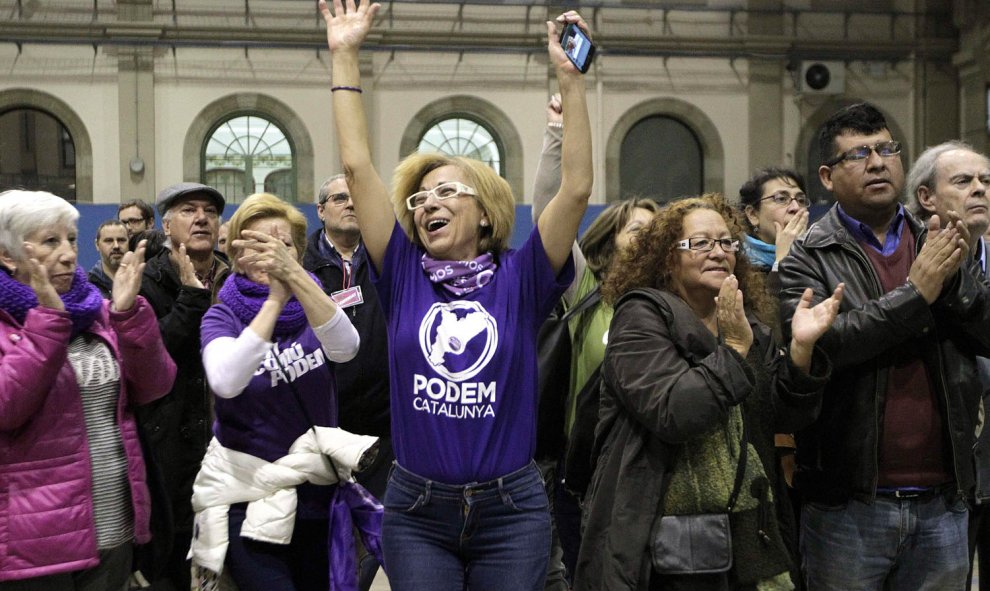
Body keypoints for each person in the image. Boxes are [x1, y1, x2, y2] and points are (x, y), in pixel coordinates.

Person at [320, 0, 593, 588]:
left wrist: (570, 83)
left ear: (488, 214)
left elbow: (575, 188)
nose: (427, 205)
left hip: (512, 511)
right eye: (418, 200)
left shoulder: (524, 279)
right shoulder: (401, 272)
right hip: (418, 511)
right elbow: (357, 166)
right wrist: (344, 54)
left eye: (445, 192)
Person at [574, 193, 840, 591]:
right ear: (667, 257)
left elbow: (783, 419)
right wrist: (733, 351)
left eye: (726, 242)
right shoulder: (642, 315)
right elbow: (674, 412)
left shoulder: (745, 321)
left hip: (749, 536)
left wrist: (801, 353)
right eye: (700, 243)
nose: (718, 252)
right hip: (660, 543)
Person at [778, 102, 990, 590]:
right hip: (849, 505)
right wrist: (916, 295)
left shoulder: (939, 238)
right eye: (859, 154)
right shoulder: (806, 257)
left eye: (886, 149)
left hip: (942, 500)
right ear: (828, 177)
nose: (877, 162)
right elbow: (829, 347)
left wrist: (950, 280)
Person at [0, 190, 176, 589]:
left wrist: (129, 316)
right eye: (50, 241)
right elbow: (7, 407)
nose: (67, 254)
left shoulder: (94, 308)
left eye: (71, 240)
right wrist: (47, 321)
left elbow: (154, 386)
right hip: (36, 547)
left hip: (112, 527)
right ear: (8, 256)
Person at [192, 192, 362, 590]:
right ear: (237, 256)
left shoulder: (315, 305)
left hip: (317, 497)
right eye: (256, 246)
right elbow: (226, 381)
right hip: (248, 498)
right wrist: (274, 301)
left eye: (282, 246)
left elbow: (346, 347)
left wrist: (296, 282)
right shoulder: (223, 315)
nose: (270, 256)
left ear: (298, 253)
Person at [530, 92, 660, 587]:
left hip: (651, 465)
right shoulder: (587, 290)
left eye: (658, 230)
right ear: (611, 240)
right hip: (583, 468)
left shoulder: (678, 302)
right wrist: (557, 136)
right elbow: (549, 215)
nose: (649, 238)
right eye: (638, 229)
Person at [905, 140, 990, 590]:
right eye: (964, 181)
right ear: (926, 198)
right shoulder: (907, 266)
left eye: (986, 181)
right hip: (943, 474)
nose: (980, 190)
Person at [136, 181, 229, 591]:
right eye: (189, 210)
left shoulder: (234, 277)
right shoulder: (145, 282)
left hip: (228, 436)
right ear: (167, 225)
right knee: (171, 559)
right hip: (169, 439)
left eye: (209, 211)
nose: (201, 218)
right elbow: (153, 355)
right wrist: (191, 296)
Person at [303, 174, 392, 591]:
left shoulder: (383, 260)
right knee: (323, 543)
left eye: (355, 197)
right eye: (340, 198)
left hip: (381, 426)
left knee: (382, 540)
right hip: (319, 428)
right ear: (321, 210)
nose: (350, 204)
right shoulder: (303, 265)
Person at [738, 167, 810, 277]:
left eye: (801, 200)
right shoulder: (736, 263)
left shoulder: (817, 258)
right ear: (753, 214)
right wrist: (784, 261)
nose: (795, 208)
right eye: (781, 199)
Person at [89, 219, 130, 298]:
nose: (116, 246)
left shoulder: (141, 282)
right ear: (97, 245)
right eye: (109, 241)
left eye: (121, 240)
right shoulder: (87, 287)